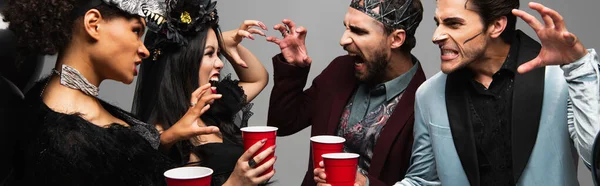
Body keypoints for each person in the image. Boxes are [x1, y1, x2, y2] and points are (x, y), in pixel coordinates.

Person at [1, 0, 274, 185]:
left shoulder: (54, 97)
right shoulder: (68, 140)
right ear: (93, 24)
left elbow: (119, 163)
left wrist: (169, 136)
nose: (143, 49)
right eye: (135, 31)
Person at [391, 1, 600, 185]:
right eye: (438, 23)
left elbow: (596, 162)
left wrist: (579, 68)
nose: (436, 36)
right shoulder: (428, 95)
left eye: (453, 24)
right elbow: (423, 180)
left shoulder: (560, 79)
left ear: (496, 26)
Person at [266, 0, 426, 185]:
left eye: (358, 31)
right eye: (347, 28)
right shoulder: (341, 69)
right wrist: (292, 67)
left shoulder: (424, 102)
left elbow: (423, 181)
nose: (343, 40)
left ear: (396, 39)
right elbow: (284, 123)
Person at [132, 0, 275, 185]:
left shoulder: (213, 105)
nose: (220, 63)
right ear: (184, 61)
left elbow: (257, 78)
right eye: (209, 54)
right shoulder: (163, 135)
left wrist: (222, 41)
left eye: (219, 53)